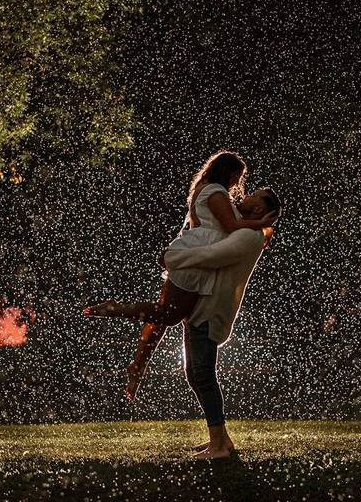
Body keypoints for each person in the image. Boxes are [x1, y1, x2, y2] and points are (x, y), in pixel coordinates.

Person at [83, 150, 278, 400]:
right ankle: (115, 309)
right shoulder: (216, 192)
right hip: (195, 261)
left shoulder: (213, 190)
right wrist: (263, 224)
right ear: (227, 172)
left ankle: (138, 365)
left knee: (164, 313)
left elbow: (206, 225)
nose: (239, 184)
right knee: (169, 314)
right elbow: (229, 227)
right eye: (237, 176)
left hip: (195, 256)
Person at [161, 219, 280, 458]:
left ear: (260, 209)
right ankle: (221, 438)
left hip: (210, 309)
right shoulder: (245, 230)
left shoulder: (247, 235)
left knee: (203, 373)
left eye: (254, 196)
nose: (246, 197)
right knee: (194, 372)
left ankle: (218, 446)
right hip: (203, 306)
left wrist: (173, 259)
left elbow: (212, 255)